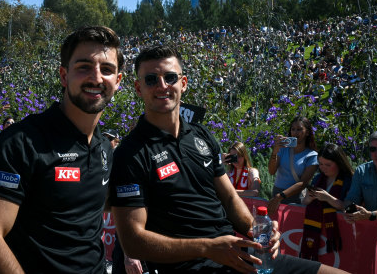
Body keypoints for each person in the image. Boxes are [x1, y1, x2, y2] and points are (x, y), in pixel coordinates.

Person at [109, 46, 345, 274]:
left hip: (239, 256)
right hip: (194, 266)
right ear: (139, 88)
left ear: (183, 83)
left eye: (170, 77)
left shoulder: (202, 136)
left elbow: (230, 198)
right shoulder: (129, 154)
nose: (162, 85)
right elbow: (133, 241)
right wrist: (207, 248)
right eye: (151, 79)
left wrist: (258, 231)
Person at [0, 25, 124, 273]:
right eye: (84, 66)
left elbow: (88, 203)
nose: (96, 78)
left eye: (106, 70)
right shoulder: (22, 142)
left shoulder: (104, 146)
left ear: (117, 81)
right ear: (64, 76)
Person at [300, 144, 353, 261]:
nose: (323, 168)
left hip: (339, 235)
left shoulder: (349, 180)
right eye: (321, 164)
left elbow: (349, 207)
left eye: (328, 165)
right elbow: (304, 203)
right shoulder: (318, 178)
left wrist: (328, 198)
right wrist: (309, 198)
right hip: (317, 231)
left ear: (339, 162)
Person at [267, 116, 319, 215]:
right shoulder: (283, 149)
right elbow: (271, 171)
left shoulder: (312, 156)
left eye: (299, 129)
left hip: (295, 198)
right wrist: (275, 151)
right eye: (293, 129)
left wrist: (280, 196)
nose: (295, 132)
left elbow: (303, 183)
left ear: (307, 132)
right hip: (276, 195)